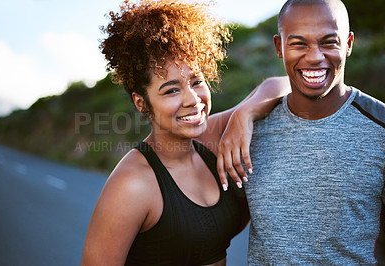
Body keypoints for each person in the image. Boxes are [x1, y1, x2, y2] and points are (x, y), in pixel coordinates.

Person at [81, 0, 290, 265]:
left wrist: (244, 114)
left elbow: (281, 85)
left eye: (197, 81)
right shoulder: (132, 184)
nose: (193, 99)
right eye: (171, 90)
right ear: (141, 102)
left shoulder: (213, 137)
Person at [217, 0, 385, 264]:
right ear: (279, 47)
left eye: (328, 42)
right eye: (299, 43)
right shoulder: (250, 133)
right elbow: (212, 232)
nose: (314, 57)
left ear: (348, 44)